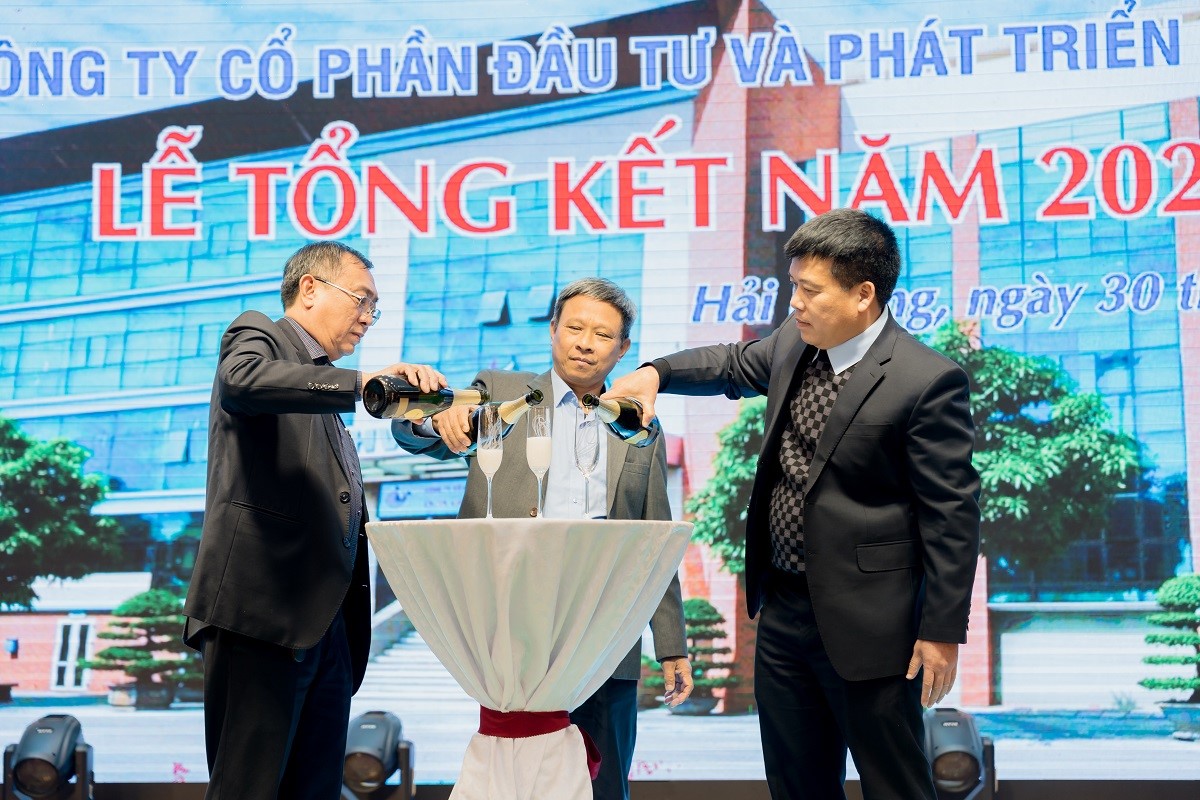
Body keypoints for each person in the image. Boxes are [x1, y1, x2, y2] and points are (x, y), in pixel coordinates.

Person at [606, 208, 982, 800]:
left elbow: (952, 516)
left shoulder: (926, 380)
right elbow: (731, 363)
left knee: (896, 785)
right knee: (796, 784)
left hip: (873, 624)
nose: (795, 304)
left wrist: (940, 631)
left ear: (863, 295)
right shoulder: (794, 342)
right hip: (783, 611)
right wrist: (656, 372)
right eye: (793, 287)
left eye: (810, 291)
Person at [391, 277, 693, 800]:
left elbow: (654, 540)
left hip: (605, 624)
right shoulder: (499, 391)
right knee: (514, 779)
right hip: (515, 624)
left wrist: (671, 645)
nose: (585, 343)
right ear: (552, 330)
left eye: (602, 334)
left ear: (623, 349)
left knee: (604, 781)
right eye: (574, 328)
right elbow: (415, 434)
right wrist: (436, 424)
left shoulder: (638, 423)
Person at [183, 241, 446, 800]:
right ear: (310, 288)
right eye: (361, 300)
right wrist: (363, 384)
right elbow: (242, 381)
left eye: (375, 309)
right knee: (247, 790)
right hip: (263, 615)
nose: (368, 318)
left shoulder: (319, 382)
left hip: (327, 630)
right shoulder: (258, 334)